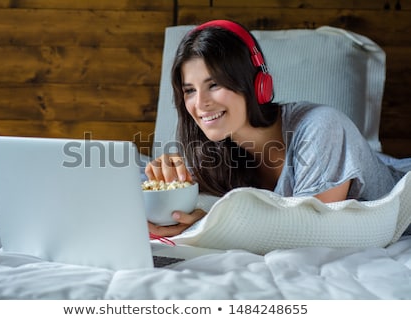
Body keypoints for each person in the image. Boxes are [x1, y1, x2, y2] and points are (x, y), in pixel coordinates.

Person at [145, 19, 406, 237]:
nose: (200, 104)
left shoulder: (322, 127)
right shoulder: (217, 151)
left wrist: (208, 225)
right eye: (189, 90)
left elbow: (312, 234)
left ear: (258, 84)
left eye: (214, 85)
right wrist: (174, 188)